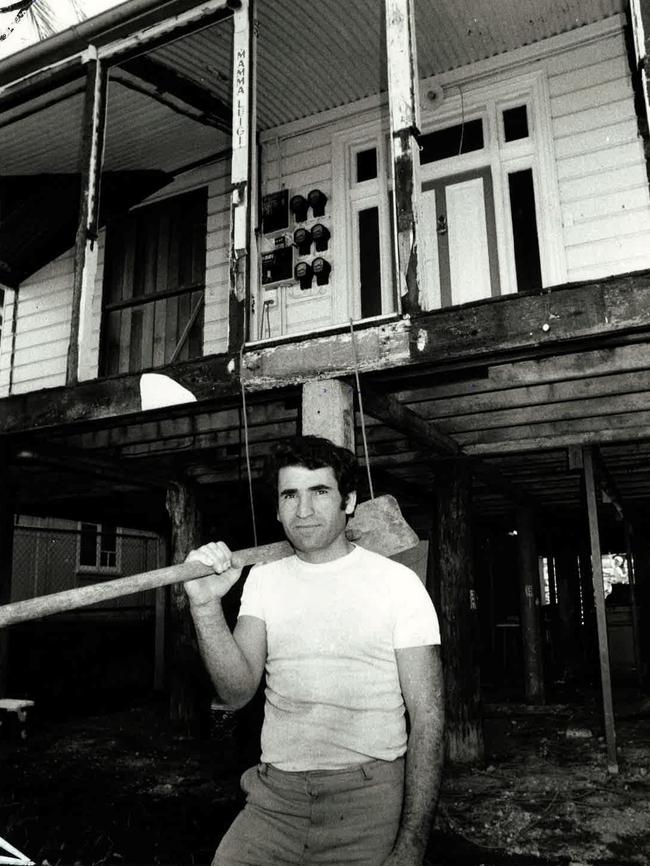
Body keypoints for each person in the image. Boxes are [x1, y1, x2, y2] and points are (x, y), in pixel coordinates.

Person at [185, 435, 444, 866]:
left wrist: (412, 845)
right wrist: (206, 606)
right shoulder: (265, 578)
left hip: (367, 800)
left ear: (349, 502)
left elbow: (429, 720)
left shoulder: (397, 584)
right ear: (277, 506)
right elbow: (236, 692)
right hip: (275, 799)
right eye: (290, 495)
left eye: (319, 492)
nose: (302, 511)